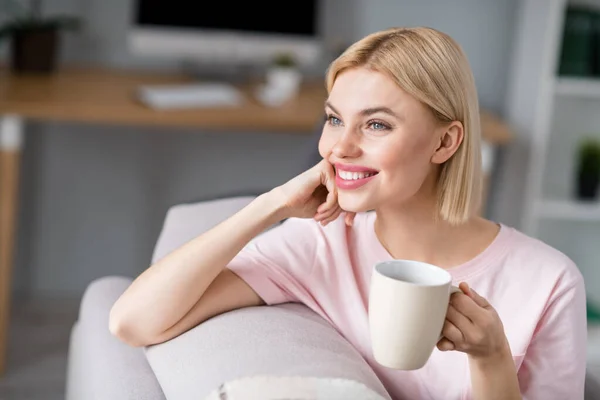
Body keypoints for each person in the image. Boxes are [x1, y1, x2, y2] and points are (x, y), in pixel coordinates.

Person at [109, 27, 587, 399]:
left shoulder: (548, 280)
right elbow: (133, 321)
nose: (340, 147)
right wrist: (269, 204)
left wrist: (491, 357)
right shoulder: (320, 245)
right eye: (334, 119)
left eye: (376, 124)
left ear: (445, 142)